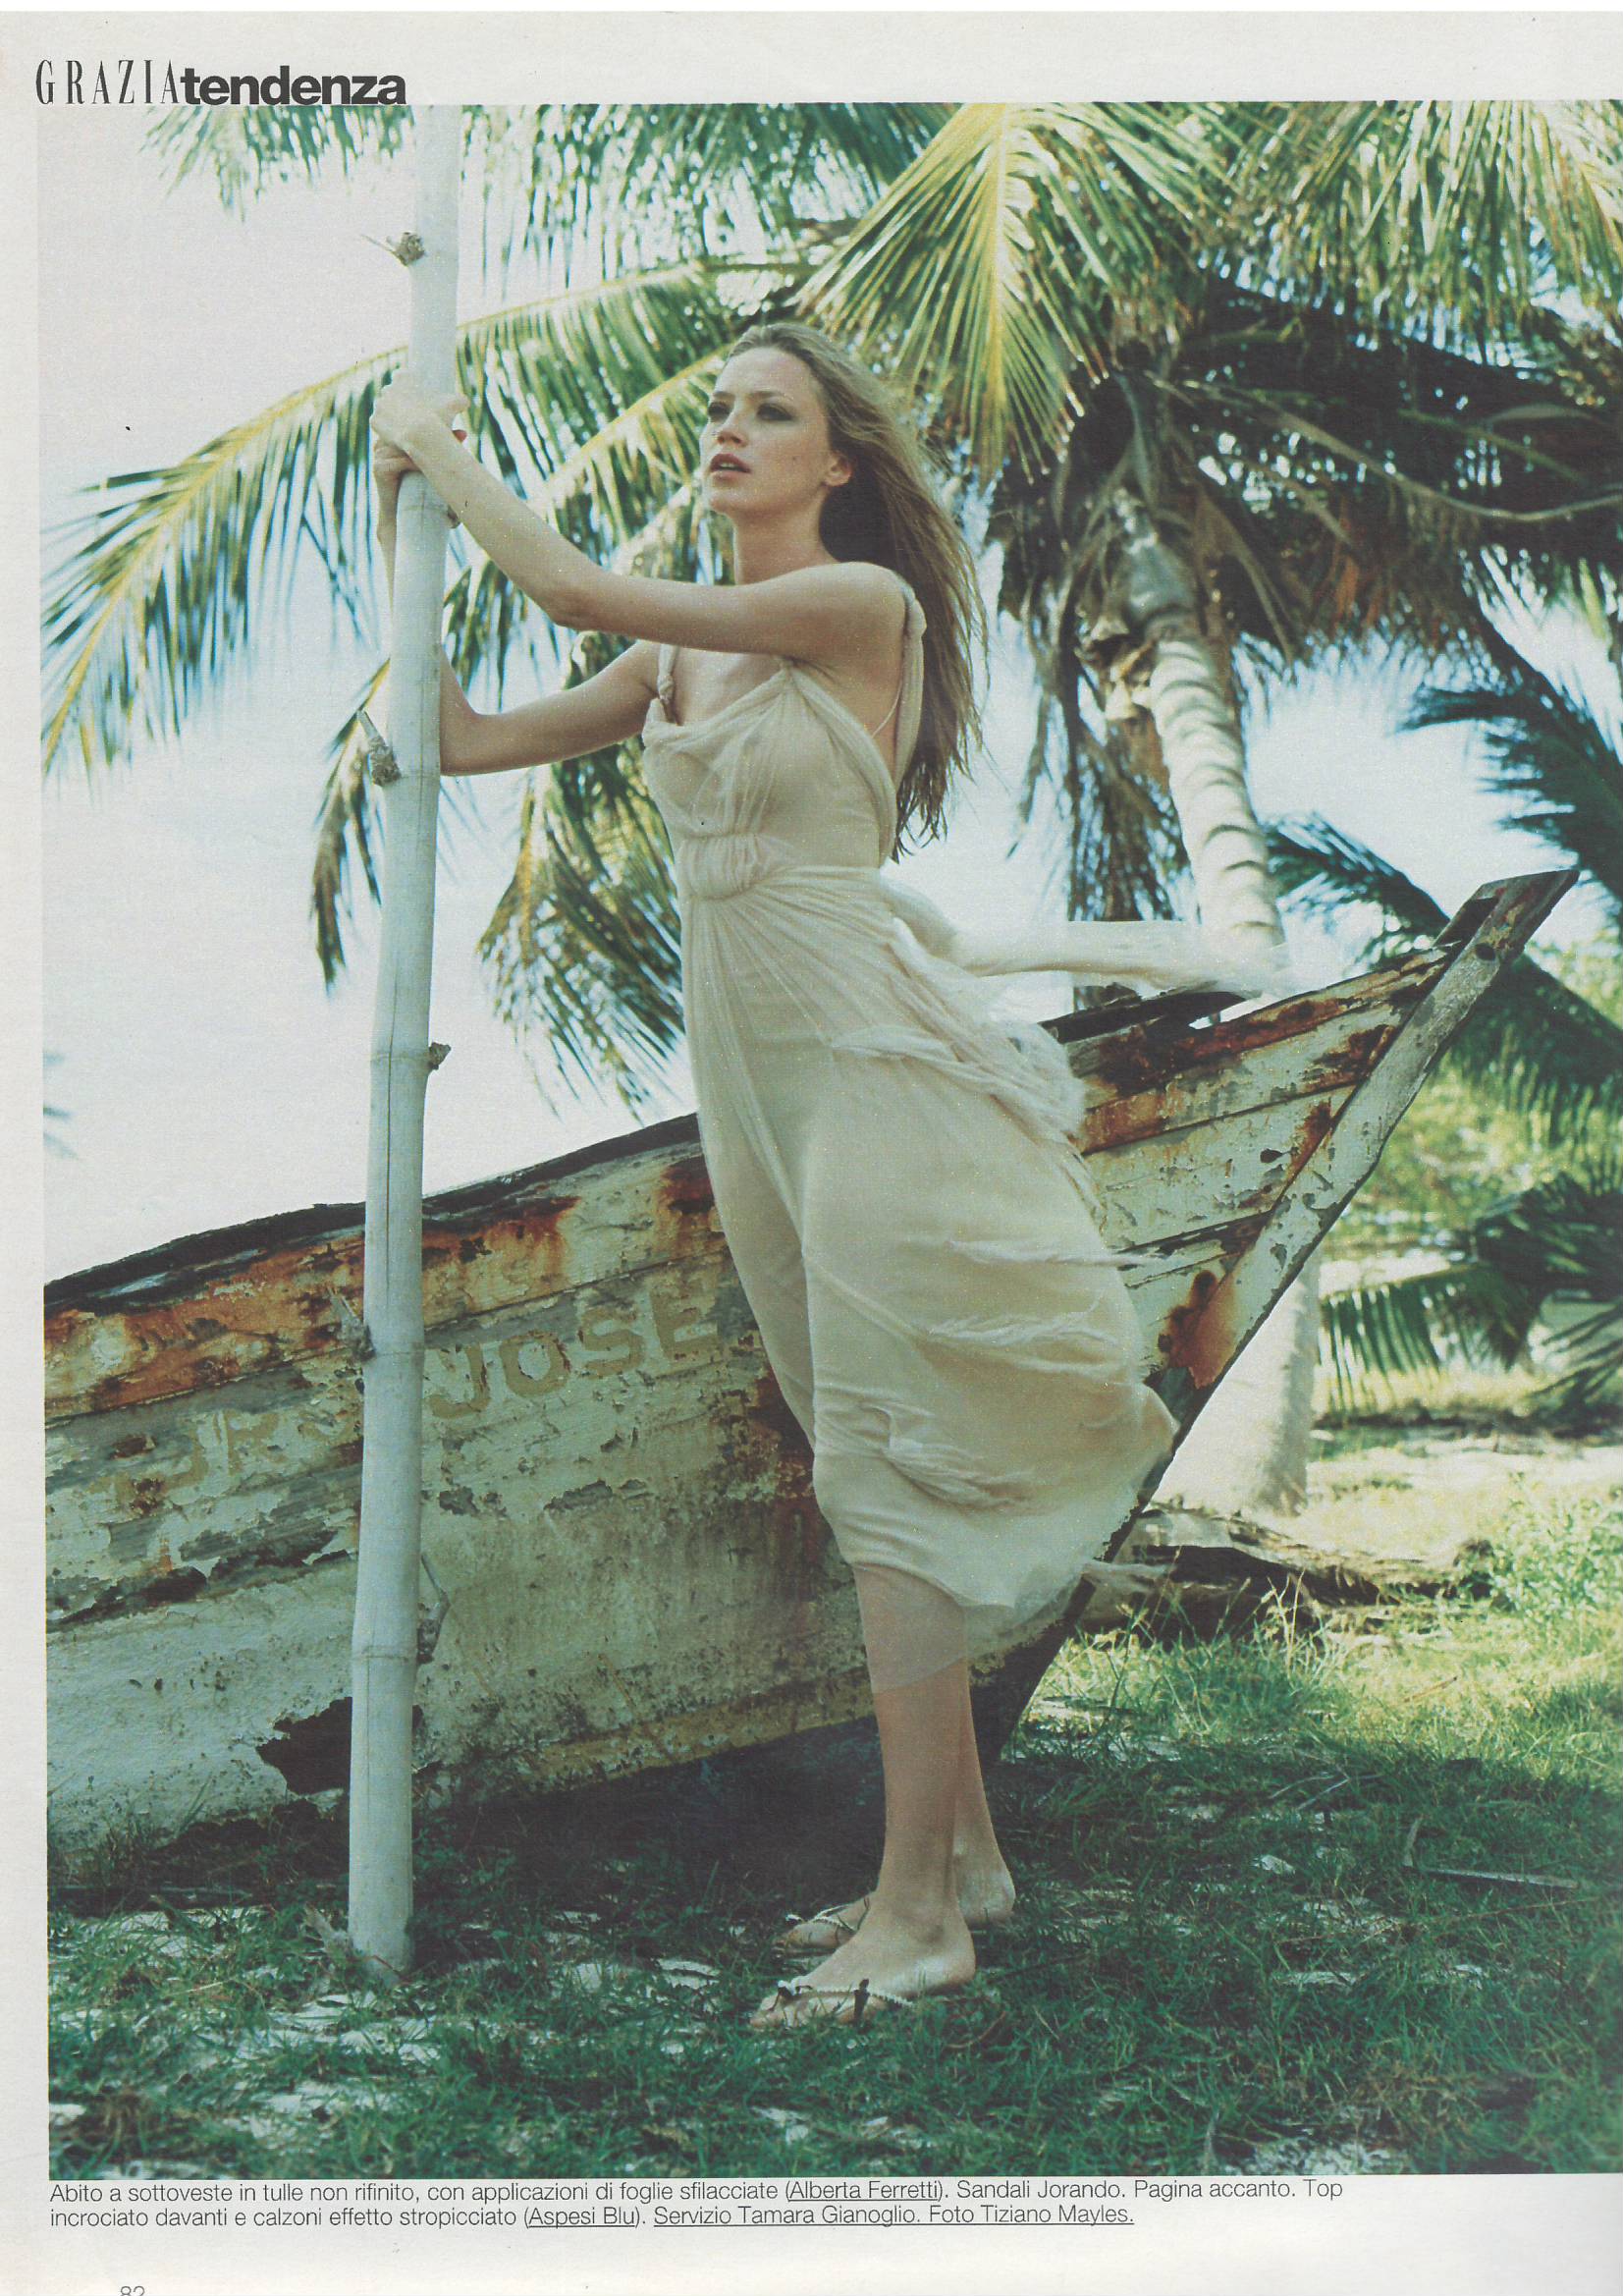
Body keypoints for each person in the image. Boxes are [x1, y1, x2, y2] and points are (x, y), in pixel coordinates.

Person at [369, 322, 1286, 2030]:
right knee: (851, 1441)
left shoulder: (859, 608)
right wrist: (394, 519)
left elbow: (567, 586)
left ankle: (917, 1912)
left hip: (864, 1067)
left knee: (877, 1459)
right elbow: (460, 734)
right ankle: (971, 1858)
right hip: (750, 1090)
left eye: (768, 412)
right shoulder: (675, 657)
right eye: (717, 407)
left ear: (837, 459)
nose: (727, 430)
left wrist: (438, 442)